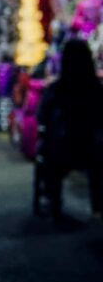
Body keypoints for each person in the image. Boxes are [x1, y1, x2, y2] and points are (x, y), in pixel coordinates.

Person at [37, 39, 103, 219]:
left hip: (61, 147)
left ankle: (53, 198)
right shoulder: (96, 88)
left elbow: (42, 117)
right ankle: (97, 206)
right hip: (91, 148)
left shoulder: (56, 89)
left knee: (49, 154)